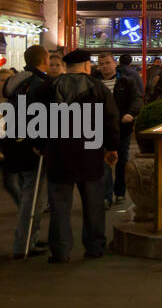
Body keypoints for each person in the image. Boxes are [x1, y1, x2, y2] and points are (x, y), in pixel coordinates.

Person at [33, 48, 119, 262]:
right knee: (94, 203)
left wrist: (40, 144)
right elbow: (110, 119)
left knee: (59, 206)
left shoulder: (49, 87)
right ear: (87, 66)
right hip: (91, 153)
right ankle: (95, 247)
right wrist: (112, 147)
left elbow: (33, 117)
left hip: (58, 152)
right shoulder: (98, 88)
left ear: (66, 66)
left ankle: (60, 251)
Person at [2, 46, 51, 259]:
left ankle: (29, 236)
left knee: (25, 193)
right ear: (44, 59)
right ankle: (24, 243)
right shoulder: (40, 84)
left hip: (13, 142)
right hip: (31, 146)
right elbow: (39, 117)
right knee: (32, 197)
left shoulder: (16, 82)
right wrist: (40, 143)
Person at [95, 52, 142, 206]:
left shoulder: (126, 82)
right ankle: (106, 195)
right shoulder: (94, 83)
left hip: (122, 128)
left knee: (121, 160)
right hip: (100, 129)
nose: (104, 67)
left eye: (107, 63)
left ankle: (120, 191)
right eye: (101, 64)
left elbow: (137, 99)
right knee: (104, 162)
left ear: (114, 63)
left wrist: (130, 113)